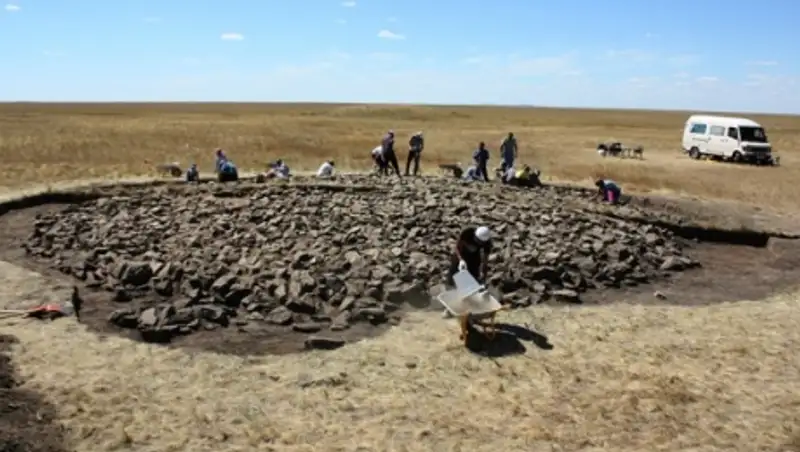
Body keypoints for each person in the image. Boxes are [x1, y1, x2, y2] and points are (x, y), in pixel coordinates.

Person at [443, 226, 493, 317]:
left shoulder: (487, 243)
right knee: (452, 281)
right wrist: (461, 260)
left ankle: (466, 307)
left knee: (471, 285)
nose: (479, 243)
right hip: (460, 257)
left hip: (474, 260)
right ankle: (449, 308)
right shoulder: (467, 232)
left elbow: (485, 261)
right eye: (477, 241)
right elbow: (457, 247)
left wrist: (483, 276)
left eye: (481, 242)